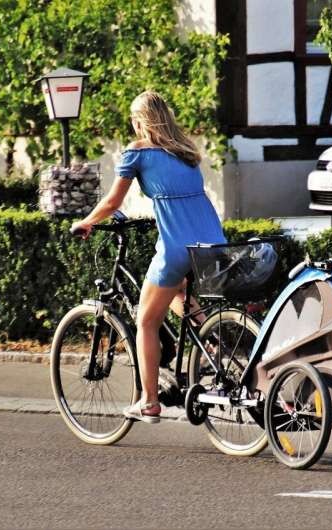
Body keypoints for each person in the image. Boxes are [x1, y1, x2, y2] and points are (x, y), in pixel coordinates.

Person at [70, 90, 226, 423]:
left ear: (141, 120)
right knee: (179, 293)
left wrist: (86, 222)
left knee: (145, 321)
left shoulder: (136, 153)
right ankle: (215, 348)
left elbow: (113, 203)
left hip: (176, 247)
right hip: (212, 243)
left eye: (132, 118)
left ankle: (149, 402)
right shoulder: (185, 152)